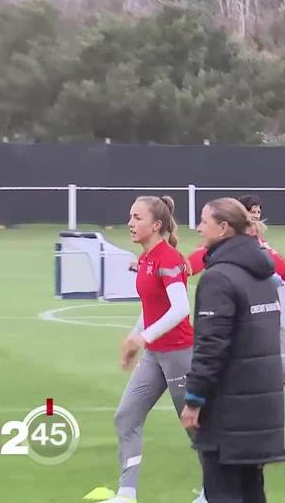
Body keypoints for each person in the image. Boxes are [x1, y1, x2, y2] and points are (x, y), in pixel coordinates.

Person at [85, 196, 195, 503]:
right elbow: (151, 309)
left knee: (195, 425)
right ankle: (127, 493)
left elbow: (180, 308)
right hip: (155, 356)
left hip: (178, 355)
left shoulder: (168, 259)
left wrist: (144, 338)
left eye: (137, 217)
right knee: (126, 416)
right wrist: (135, 337)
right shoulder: (146, 258)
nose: (130, 223)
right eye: (130, 217)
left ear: (156, 225)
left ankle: (218, 491)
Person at [181, 198, 285, 503]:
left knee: (224, 492)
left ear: (224, 228)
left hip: (229, 408)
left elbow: (211, 346)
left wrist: (194, 399)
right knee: (252, 490)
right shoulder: (263, 272)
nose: (199, 228)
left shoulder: (218, 277)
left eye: (204, 221)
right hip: (261, 405)